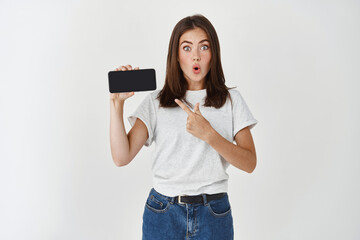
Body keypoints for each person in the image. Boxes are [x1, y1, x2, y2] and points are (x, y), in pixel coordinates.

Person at [109, 14, 258, 240]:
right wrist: (116, 105)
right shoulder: (157, 101)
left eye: (204, 47)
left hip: (214, 213)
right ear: (176, 56)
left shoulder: (231, 100)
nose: (196, 56)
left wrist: (209, 135)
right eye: (187, 48)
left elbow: (249, 163)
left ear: (213, 54)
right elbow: (122, 157)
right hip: (163, 213)